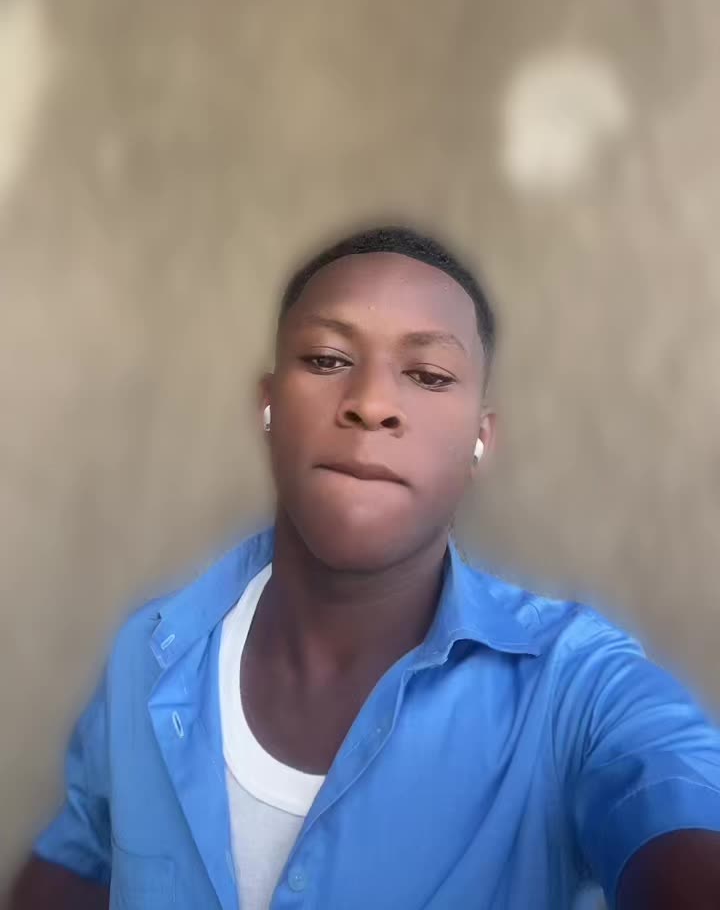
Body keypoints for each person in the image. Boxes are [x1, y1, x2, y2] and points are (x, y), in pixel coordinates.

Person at [8, 225, 720, 909]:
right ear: (269, 408)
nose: (372, 404)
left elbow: (675, 800)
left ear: (479, 440)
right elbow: (77, 860)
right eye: (326, 360)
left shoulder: (576, 689)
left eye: (429, 375)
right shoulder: (148, 654)